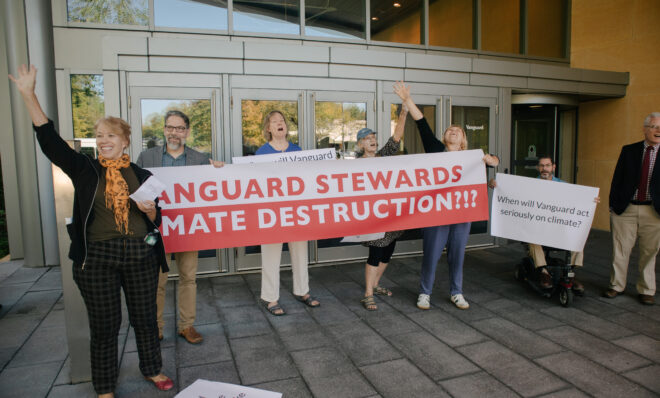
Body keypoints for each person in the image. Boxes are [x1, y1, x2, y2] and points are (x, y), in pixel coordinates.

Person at [9, 64, 173, 397]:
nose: (102, 141)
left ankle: (152, 369)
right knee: (105, 326)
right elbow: (51, 142)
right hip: (96, 259)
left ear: (125, 140)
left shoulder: (141, 174)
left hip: (141, 255)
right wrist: (29, 95)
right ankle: (104, 386)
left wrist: (152, 210)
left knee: (145, 320)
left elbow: (159, 217)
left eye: (110, 135)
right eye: (99, 136)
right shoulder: (85, 169)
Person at [393, 81, 499, 310]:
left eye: (458, 131)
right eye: (450, 130)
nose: (453, 132)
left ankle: (456, 292)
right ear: (444, 136)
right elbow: (421, 123)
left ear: (463, 140)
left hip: (462, 214)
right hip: (436, 213)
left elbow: (492, 161)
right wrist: (407, 101)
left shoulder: (473, 157)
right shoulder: (435, 150)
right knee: (431, 254)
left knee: (457, 255)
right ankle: (425, 293)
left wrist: (493, 161)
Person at [136, 110, 224, 344]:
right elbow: (135, 189)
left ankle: (187, 325)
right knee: (157, 280)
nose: (174, 133)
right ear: (164, 130)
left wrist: (219, 170)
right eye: (170, 127)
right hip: (158, 230)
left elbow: (215, 188)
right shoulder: (146, 157)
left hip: (187, 228)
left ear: (187, 131)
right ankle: (156, 326)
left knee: (188, 278)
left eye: (179, 128)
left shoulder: (200, 159)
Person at [488, 156, 598, 291]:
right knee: (532, 239)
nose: (544, 168)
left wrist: (590, 200)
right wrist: (496, 185)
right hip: (538, 231)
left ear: (553, 167)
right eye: (541, 166)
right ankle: (544, 273)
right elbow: (512, 193)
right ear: (537, 168)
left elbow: (577, 201)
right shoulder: (529, 185)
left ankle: (570, 274)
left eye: (547, 165)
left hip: (558, 229)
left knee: (578, 240)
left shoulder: (565, 186)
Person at [256, 110, 320, 315]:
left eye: (281, 120)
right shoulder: (261, 153)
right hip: (272, 212)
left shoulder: (297, 150)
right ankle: (271, 298)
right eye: (274, 121)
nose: (279, 123)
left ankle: (303, 291)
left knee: (300, 252)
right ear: (268, 128)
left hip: (296, 210)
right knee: (271, 256)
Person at [604, 112, 660, 305]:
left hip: (654, 211)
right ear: (645, 128)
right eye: (653, 126)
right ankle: (616, 285)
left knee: (649, 252)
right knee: (620, 250)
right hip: (626, 209)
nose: (658, 131)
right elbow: (617, 179)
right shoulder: (629, 150)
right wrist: (613, 205)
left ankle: (646, 289)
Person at [357, 107, 408, 311]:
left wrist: (403, 114)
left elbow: (396, 136)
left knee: (388, 252)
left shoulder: (383, 156)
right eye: (367, 138)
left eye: (373, 137)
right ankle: (368, 294)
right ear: (360, 144)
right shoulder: (353, 166)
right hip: (373, 216)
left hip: (391, 216)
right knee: (376, 254)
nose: (372, 140)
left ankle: (375, 285)